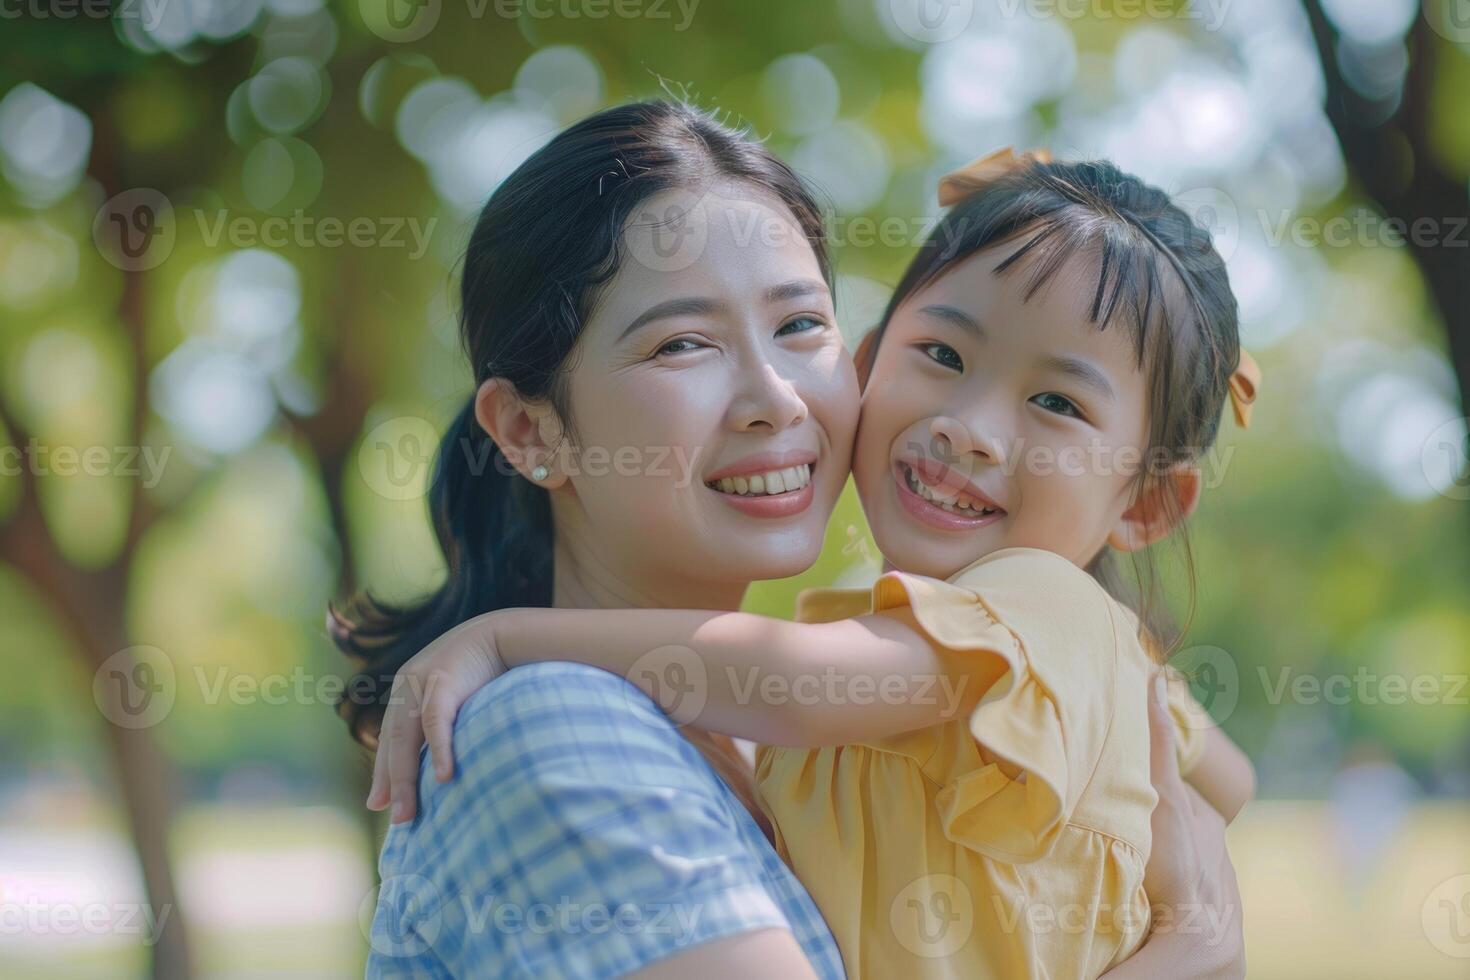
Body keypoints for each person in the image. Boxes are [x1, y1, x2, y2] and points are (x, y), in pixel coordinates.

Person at [339, 102, 1248, 977]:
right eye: (682, 344)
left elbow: (1210, 784)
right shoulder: (559, 732)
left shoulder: (1022, 623)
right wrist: (1192, 956)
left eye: (799, 325)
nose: (777, 397)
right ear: (531, 432)